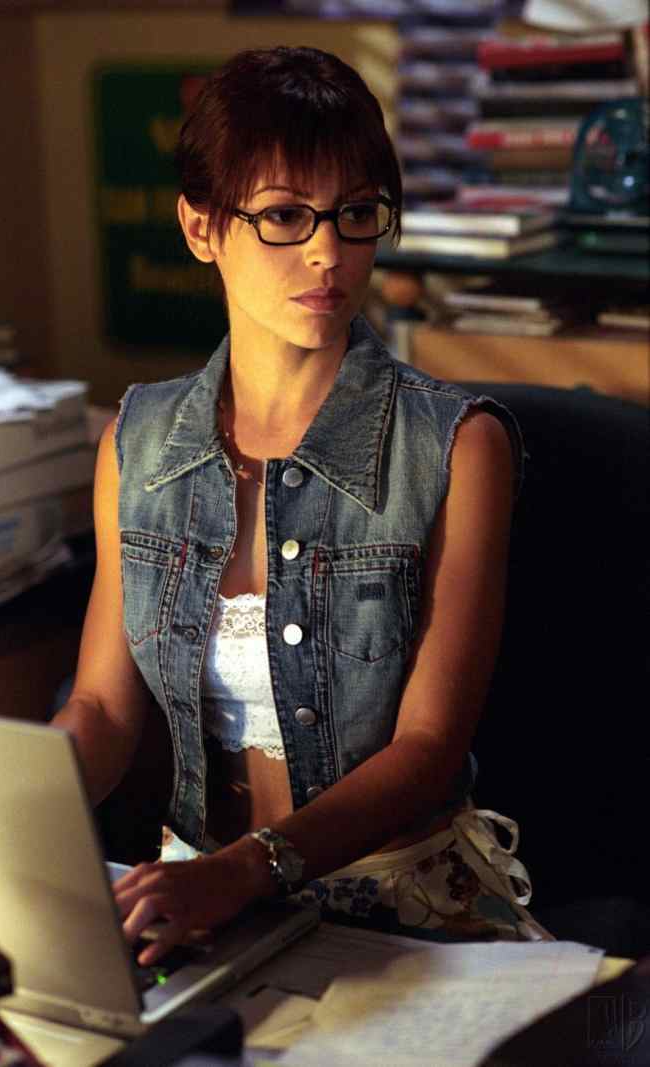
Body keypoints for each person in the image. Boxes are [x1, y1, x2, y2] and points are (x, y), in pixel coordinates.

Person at [52, 45, 549, 965]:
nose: (330, 252)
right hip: (194, 897)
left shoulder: (457, 445)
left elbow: (430, 747)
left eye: (355, 213)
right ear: (201, 228)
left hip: (399, 899)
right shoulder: (138, 443)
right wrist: (7, 819)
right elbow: (103, 709)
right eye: (285, 215)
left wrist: (249, 868)